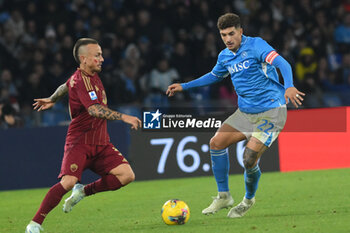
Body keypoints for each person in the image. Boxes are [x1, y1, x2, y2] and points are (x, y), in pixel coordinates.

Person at [166, 13, 305, 218]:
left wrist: (290, 86)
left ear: (241, 32)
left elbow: (283, 64)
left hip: (271, 111)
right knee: (216, 143)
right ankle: (224, 196)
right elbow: (214, 76)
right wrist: (185, 86)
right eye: (223, 35)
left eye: (231, 33)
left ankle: (248, 199)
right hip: (246, 113)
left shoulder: (257, 45)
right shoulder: (225, 56)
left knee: (248, 159)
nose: (228, 39)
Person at [25, 38, 141, 233]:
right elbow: (95, 110)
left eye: (101, 54)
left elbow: (65, 85)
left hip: (101, 142)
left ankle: (83, 191)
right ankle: (34, 224)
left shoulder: (89, 75)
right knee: (68, 182)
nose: (102, 59)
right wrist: (124, 117)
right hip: (80, 142)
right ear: (83, 59)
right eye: (97, 55)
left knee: (126, 175)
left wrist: (52, 99)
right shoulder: (81, 80)